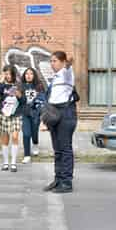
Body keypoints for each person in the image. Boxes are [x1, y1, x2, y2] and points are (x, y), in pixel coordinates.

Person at [43, 51, 78, 193]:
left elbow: (69, 66)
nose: (52, 64)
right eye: (51, 61)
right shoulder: (55, 78)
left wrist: (68, 63)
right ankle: (58, 179)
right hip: (55, 114)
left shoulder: (66, 73)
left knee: (65, 149)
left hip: (66, 114)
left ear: (63, 62)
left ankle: (66, 182)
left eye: (55, 61)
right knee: (57, 150)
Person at [0, 65, 26, 172]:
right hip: (5, 114)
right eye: (5, 74)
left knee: (15, 136)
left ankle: (13, 162)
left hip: (16, 114)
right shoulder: (3, 85)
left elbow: (24, 101)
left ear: (12, 73)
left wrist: (19, 95)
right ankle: (5, 162)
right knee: (5, 137)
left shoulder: (19, 84)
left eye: (8, 73)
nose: (7, 76)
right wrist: (1, 82)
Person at [20, 67, 45, 164]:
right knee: (26, 134)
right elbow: (19, 100)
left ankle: (35, 144)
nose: (28, 75)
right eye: (26, 74)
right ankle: (27, 155)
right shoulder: (21, 86)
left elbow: (42, 98)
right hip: (25, 114)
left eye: (31, 74)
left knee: (34, 132)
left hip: (35, 113)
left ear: (34, 75)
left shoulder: (39, 85)